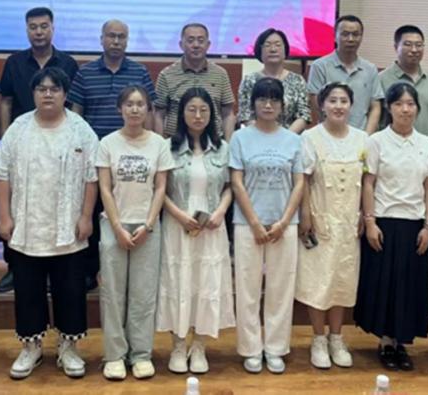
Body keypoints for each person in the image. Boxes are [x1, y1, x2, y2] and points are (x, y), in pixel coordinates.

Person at [0, 67, 99, 380]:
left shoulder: (80, 130)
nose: (48, 94)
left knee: (70, 290)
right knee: (28, 290)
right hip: (27, 225)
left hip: (69, 226)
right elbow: (2, 175)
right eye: (42, 89)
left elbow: (91, 178)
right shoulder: (18, 128)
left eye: (54, 89)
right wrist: (4, 217)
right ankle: (31, 347)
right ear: (33, 94)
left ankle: (69, 347)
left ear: (65, 94)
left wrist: (85, 217)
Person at [355, 82, 428, 372]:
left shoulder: (427, 144)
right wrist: (370, 221)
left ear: (418, 108)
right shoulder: (376, 141)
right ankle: (385, 343)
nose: (405, 109)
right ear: (389, 108)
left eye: (410, 104)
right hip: (384, 223)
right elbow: (368, 183)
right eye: (399, 104)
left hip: (415, 224)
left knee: (409, 286)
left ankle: (402, 342)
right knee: (385, 286)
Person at [0, 6, 80, 293]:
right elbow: (6, 101)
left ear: (53, 28)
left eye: (44, 26)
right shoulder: (15, 62)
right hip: (22, 141)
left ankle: (55, 269)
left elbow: (73, 104)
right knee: (18, 203)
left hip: (59, 141)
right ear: (27, 30)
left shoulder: (68, 63)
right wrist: (3, 137)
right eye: (33, 27)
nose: (39, 32)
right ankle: (14, 267)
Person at [69, 19, 156, 290]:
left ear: (127, 41)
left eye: (121, 37)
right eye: (111, 36)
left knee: (126, 211)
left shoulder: (139, 72)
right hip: (95, 155)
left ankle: (129, 269)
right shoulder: (86, 73)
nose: (116, 41)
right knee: (93, 211)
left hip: (133, 156)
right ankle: (90, 270)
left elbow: (150, 112)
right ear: (102, 39)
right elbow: (76, 115)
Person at [96, 86, 174, 380]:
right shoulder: (107, 143)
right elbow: (105, 188)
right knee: (113, 294)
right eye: (129, 104)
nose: (135, 109)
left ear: (148, 109)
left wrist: (149, 224)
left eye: (141, 104)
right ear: (120, 109)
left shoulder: (159, 144)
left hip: (147, 227)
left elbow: (161, 187)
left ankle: (141, 354)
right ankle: (114, 355)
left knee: (143, 294)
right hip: (113, 225)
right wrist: (117, 227)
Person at [156, 88, 235, 375]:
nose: (198, 115)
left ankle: (199, 345)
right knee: (178, 282)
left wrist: (220, 211)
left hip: (211, 226)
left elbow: (230, 186)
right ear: (181, 114)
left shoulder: (223, 148)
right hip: (178, 224)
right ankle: (178, 345)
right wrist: (178, 215)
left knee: (206, 283)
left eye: (204, 110)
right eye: (192, 109)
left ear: (212, 114)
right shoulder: (167, 147)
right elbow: (159, 190)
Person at [230, 78, 306, 374]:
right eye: (262, 99)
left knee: (280, 289)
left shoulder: (293, 140)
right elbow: (236, 181)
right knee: (247, 288)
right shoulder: (240, 138)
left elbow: (299, 183)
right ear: (253, 103)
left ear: (283, 105)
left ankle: (275, 348)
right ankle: (250, 349)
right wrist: (254, 222)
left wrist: (284, 221)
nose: (268, 104)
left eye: (274, 99)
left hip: (284, 225)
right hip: (247, 224)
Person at [296, 82, 367, 370]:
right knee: (318, 280)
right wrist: (305, 214)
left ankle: (336, 337)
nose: (338, 106)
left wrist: (366, 214)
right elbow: (303, 179)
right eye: (333, 100)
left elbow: (369, 182)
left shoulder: (363, 139)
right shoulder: (310, 137)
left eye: (344, 101)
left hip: (350, 222)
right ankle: (318, 338)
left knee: (342, 280)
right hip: (320, 218)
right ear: (322, 105)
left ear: (351, 105)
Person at [154, 23, 236, 140]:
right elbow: (159, 113)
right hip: (176, 142)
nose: (196, 45)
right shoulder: (167, 75)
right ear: (181, 45)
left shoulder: (220, 74)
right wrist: (161, 145)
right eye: (190, 40)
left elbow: (227, 113)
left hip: (213, 142)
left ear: (208, 45)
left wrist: (228, 145)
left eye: (201, 41)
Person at [306, 15, 383, 134]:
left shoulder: (370, 69)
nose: (351, 39)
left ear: (361, 37)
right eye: (345, 34)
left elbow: (375, 107)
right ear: (334, 36)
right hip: (329, 135)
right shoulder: (320, 66)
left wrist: (366, 137)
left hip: (361, 135)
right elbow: (316, 105)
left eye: (356, 34)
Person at [237, 28, 311, 132]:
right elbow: (245, 114)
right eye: (267, 45)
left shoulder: (297, 80)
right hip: (257, 137)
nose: (273, 49)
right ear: (259, 51)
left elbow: (304, 114)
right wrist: (263, 136)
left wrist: (285, 137)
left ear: (285, 50)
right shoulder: (249, 80)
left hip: (291, 138)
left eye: (278, 45)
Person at [378, 25, 428, 138]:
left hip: (427, 146)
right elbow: (377, 116)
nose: (414, 50)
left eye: (419, 45)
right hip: (391, 146)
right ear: (396, 47)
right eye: (408, 44)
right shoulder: (381, 79)